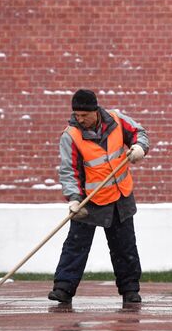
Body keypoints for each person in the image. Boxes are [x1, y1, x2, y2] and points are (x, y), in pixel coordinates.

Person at [49, 89, 149, 304]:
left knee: (125, 246)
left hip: (121, 196)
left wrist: (140, 147)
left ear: (95, 111)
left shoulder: (117, 120)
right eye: (76, 114)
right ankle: (63, 288)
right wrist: (74, 198)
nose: (79, 119)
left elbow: (139, 132)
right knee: (76, 245)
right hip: (89, 200)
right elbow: (69, 170)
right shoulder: (71, 135)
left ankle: (130, 290)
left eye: (84, 115)